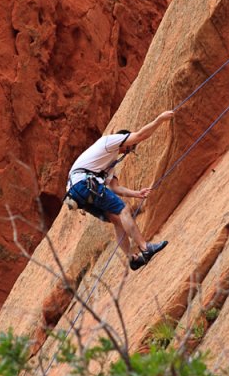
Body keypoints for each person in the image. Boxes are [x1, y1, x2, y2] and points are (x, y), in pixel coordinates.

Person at [65, 110, 174, 270]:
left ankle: (132, 258)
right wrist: (160, 119)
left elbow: (115, 187)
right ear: (124, 139)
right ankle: (145, 248)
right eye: (130, 146)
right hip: (83, 183)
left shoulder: (107, 163)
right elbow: (140, 135)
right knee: (123, 210)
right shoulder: (110, 141)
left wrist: (137, 193)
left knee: (116, 219)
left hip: (77, 192)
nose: (129, 151)